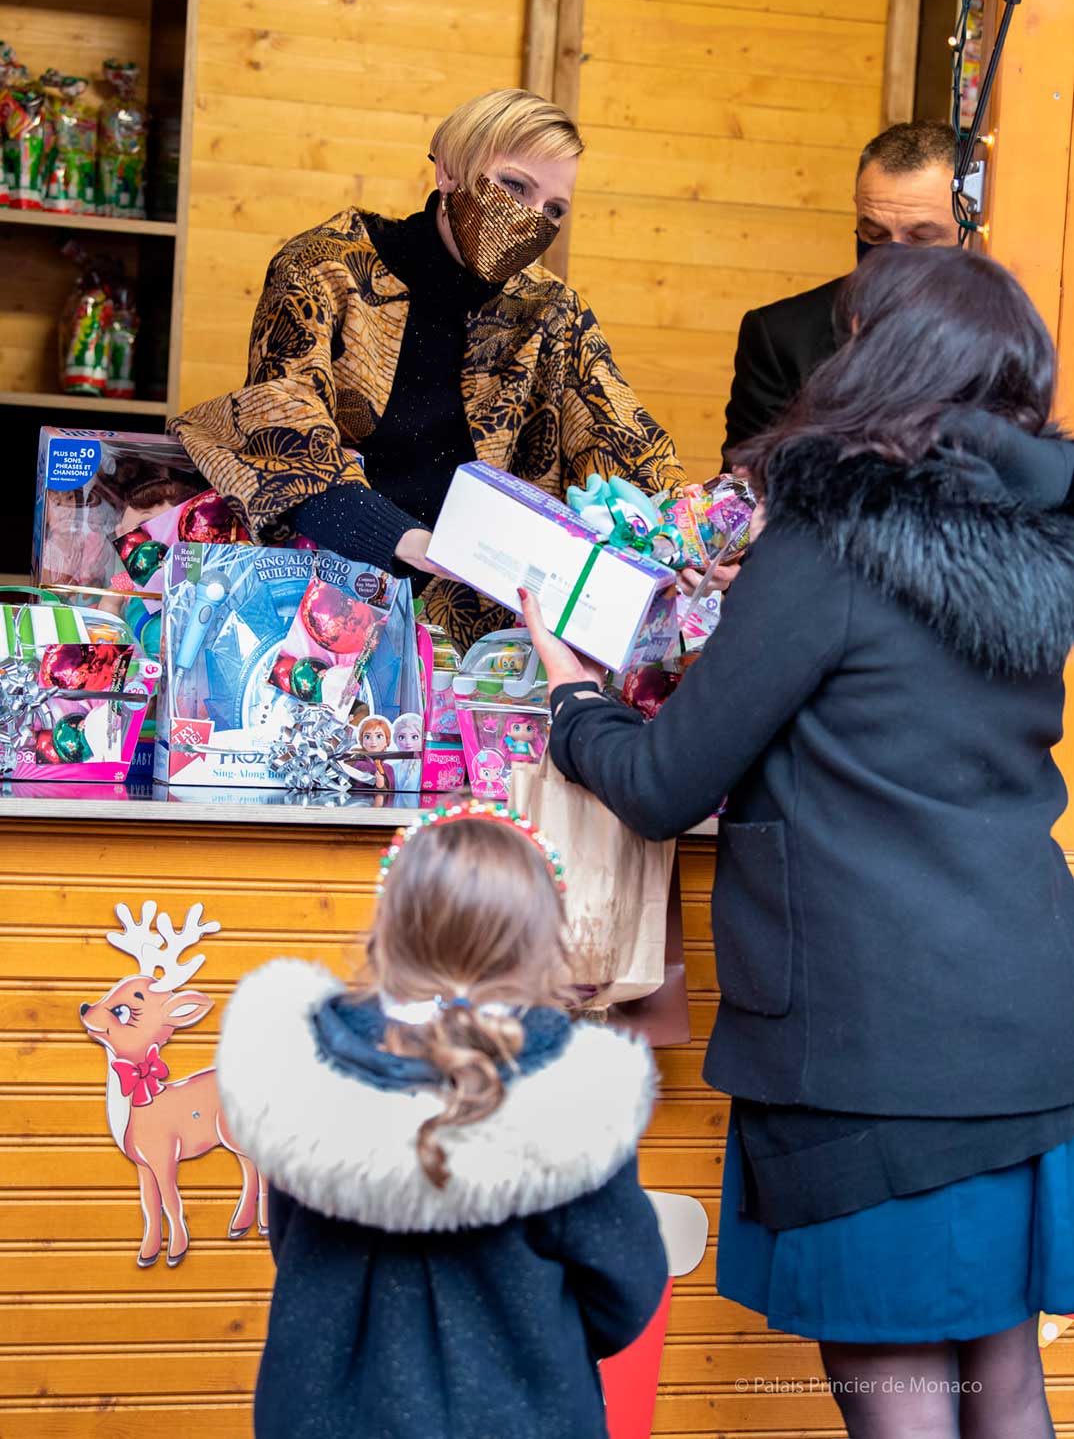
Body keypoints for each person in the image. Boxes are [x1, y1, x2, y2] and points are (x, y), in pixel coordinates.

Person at [522, 247, 1074, 1438]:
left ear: (882, 360)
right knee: (1003, 1382)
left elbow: (668, 782)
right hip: (1026, 1017)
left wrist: (571, 702)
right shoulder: (1038, 542)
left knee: (902, 1404)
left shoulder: (823, 544)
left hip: (870, 1034)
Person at [171, 88, 684, 652]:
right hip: (320, 600)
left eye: (554, 210)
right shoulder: (325, 268)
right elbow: (285, 439)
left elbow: (625, 441)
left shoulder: (551, 310)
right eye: (515, 186)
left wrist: (695, 539)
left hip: (483, 636)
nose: (532, 218)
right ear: (448, 168)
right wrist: (408, 540)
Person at [215, 802, 668, 1439]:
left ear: (389, 927)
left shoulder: (303, 1075)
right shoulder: (571, 1097)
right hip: (521, 1417)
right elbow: (625, 1288)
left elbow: (287, 1243)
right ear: (542, 943)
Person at [721, 118, 960, 463]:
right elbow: (743, 488)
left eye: (921, 238)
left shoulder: (1009, 338)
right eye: (874, 234)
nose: (892, 258)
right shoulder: (781, 337)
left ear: (968, 232)